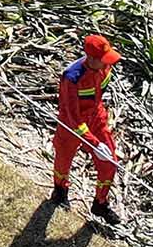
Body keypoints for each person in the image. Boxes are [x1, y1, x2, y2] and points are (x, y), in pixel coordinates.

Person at [51, 32, 121, 219]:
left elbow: (99, 96)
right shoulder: (72, 77)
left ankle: (100, 203)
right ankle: (60, 191)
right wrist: (94, 143)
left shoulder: (105, 67)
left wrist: (99, 140)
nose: (108, 63)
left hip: (96, 116)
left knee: (109, 161)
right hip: (71, 123)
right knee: (64, 158)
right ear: (90, 58)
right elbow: (72, 115)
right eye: (103, 59)